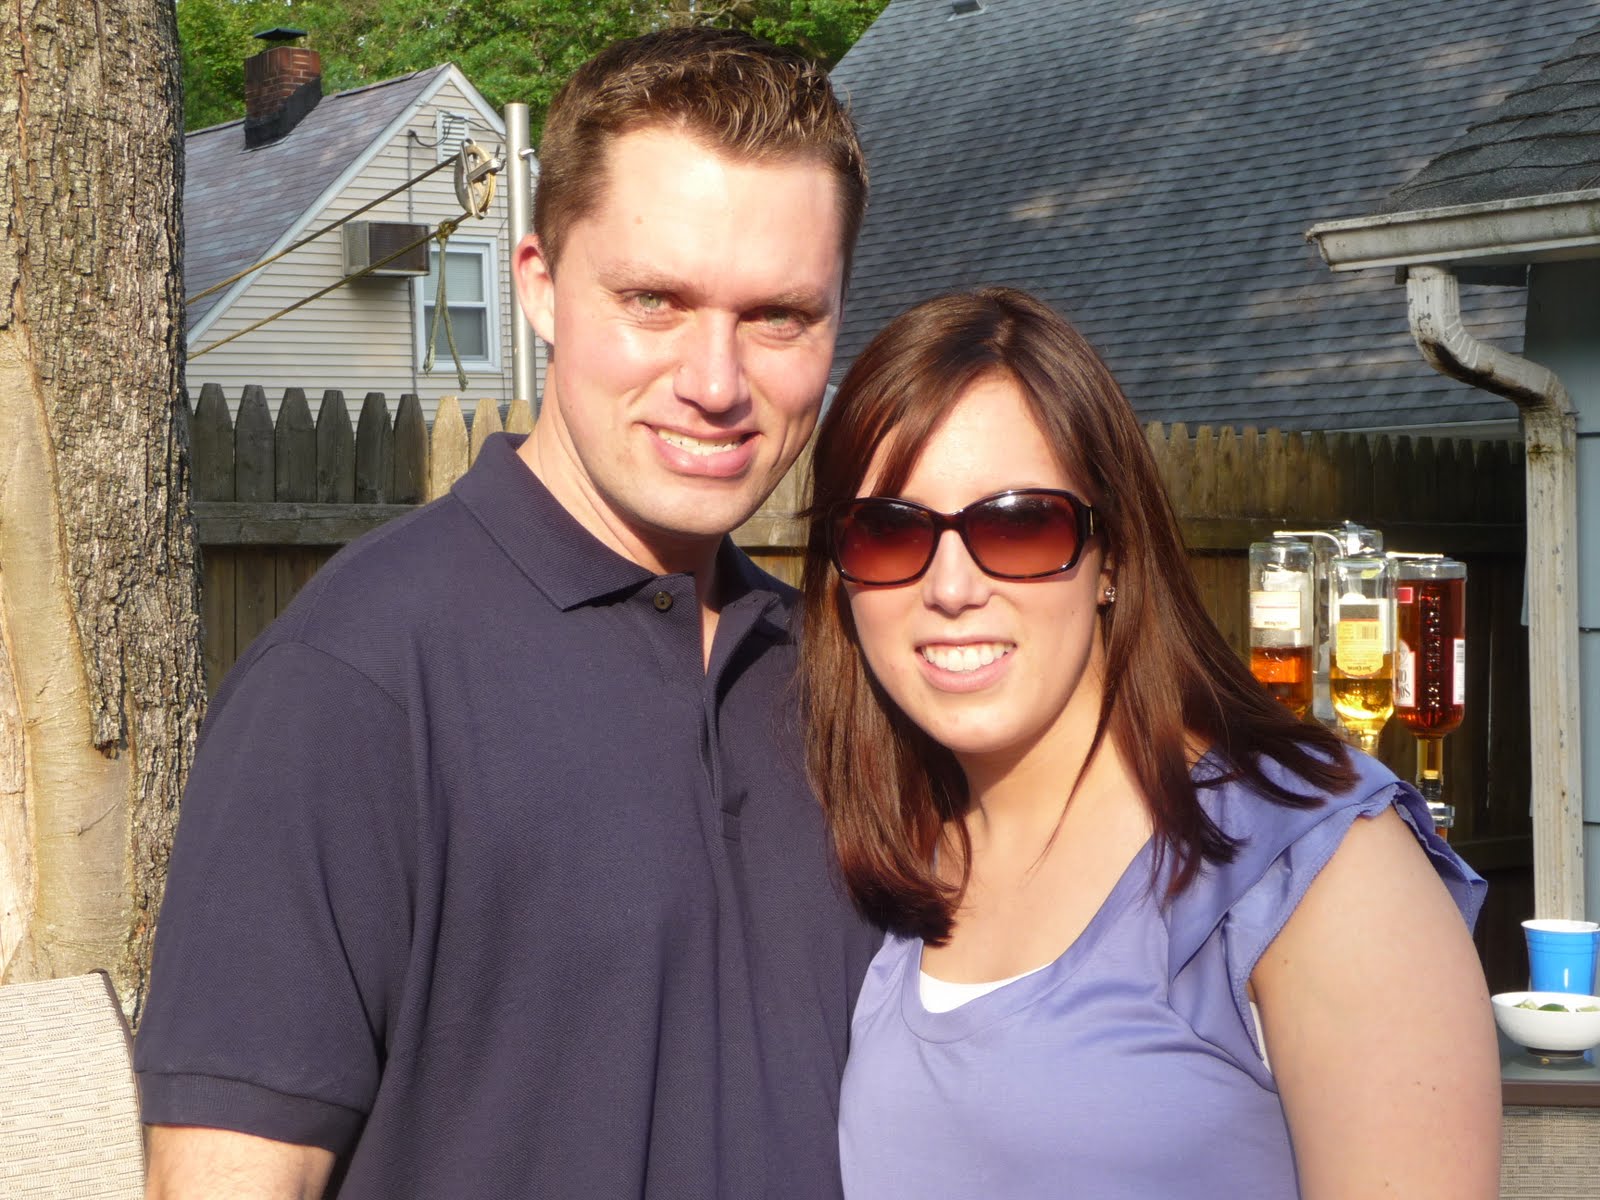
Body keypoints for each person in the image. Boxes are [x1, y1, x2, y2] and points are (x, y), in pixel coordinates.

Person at [136, 28, 878, 1199]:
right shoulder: (355, 684)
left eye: (779, 315)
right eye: (653, 300)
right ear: (536, 284)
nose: (716, 381)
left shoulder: (848, 679)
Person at [798, 287, 1501, 1198]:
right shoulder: (886, 862)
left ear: (1115, 556)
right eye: (890, 532)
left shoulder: (1313, 860)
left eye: (1019, 523)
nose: (952, 587)